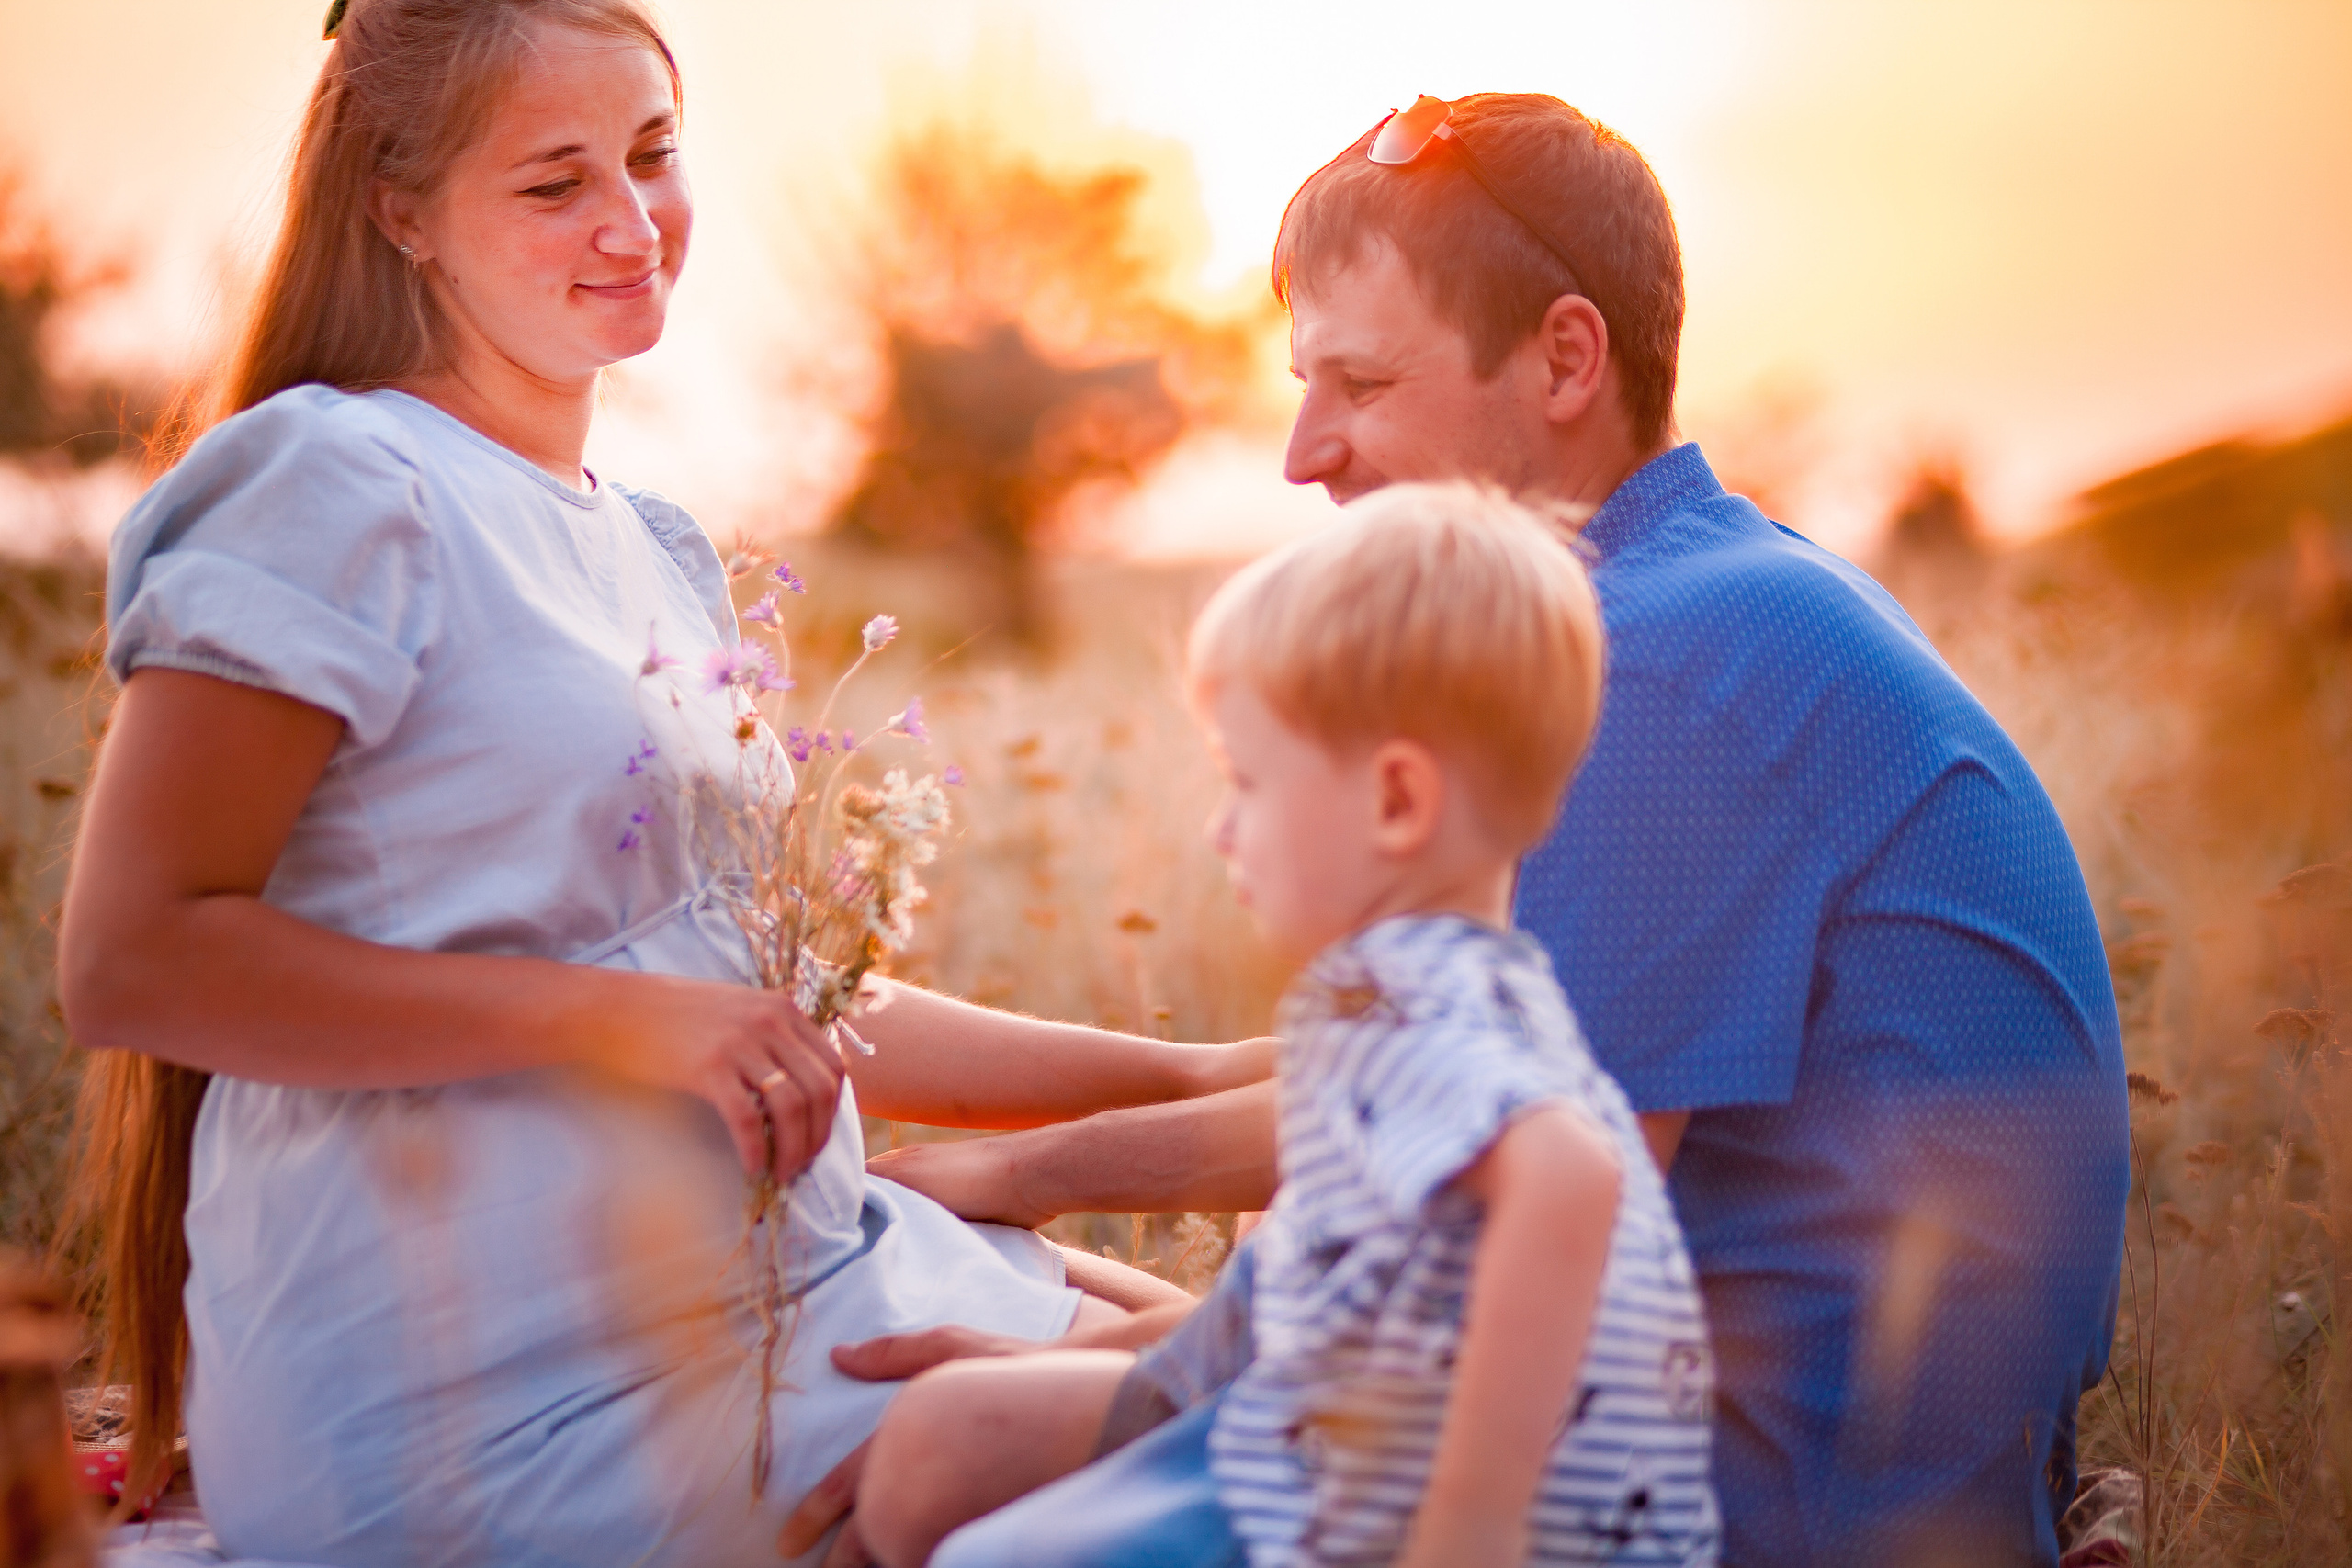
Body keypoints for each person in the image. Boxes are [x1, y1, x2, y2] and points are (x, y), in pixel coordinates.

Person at [820, 93, 2130, 1567]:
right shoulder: (1696, 596)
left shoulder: (1659, 665)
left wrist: (1041, 1173)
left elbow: (1515, 1160)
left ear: (1567, 356)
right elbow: (1448, 1053)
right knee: (1071, 1300)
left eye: (1362, 383)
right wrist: (1059, 1173)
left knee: (940, 1440)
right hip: (1748, 1409)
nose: (1307, 450)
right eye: (1306, 384)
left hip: (1774, 1497)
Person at [59, 5, 1265, 1564]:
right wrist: (628, 1025)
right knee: (1272, 1423)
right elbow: (132, 958)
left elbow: (742, 993)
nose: (633, 224)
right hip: (501, 1390)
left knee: (1262, 1359)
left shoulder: (653, 545)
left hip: (774, 1282)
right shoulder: (337, 482)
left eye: (651, 155)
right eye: (555, 182)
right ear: (399, 205)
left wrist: (1180, 1074)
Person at [867, 483, 1720, 1568]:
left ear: (1396, 803)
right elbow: (1287, 1299)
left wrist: (1469, 1525)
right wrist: (1089, 1382)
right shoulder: (1431, 997)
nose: (1221, 830)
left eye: (1249, 783)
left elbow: (1567, 1170)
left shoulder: (1438, 1010)